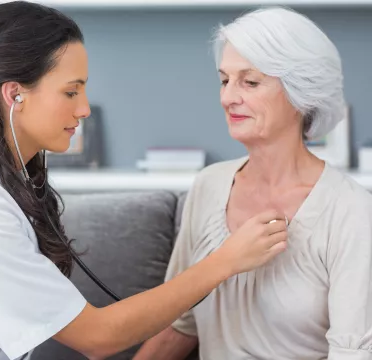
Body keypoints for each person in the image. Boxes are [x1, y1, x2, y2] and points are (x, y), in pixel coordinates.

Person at [0, 2, 289, 360]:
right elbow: (98, 338)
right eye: (70, 91)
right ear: (15, 95)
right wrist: (226, 261)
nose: (83, 109)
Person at [133, 6, 372, 360]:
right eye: (225, 80)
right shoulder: (209, 186)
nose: (228, 97)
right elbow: (179, 326)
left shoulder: (352, 211)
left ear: (299, 92)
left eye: (250, 81)